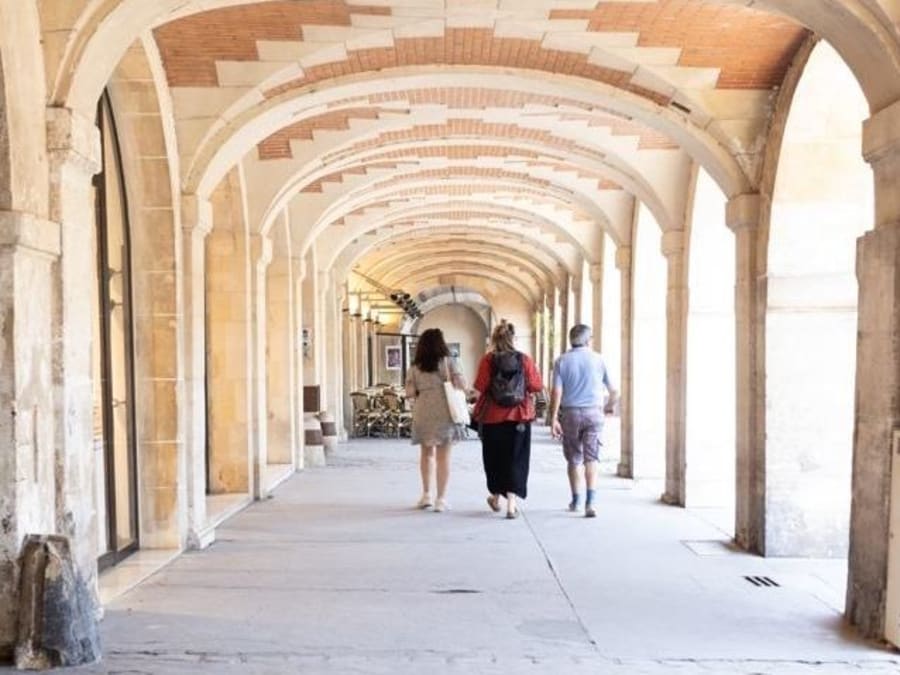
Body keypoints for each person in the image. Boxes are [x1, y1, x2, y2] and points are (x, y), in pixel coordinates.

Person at [472, 322, 544, 519]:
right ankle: (511, 505)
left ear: (494, 340)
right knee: (516, 459)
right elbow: (536, 386)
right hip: (519, 417)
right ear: (513, 339)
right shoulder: (524, 360)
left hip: (492, 418)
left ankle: (495, 497)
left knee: (495, 459)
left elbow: (480, 386)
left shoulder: (488, 360)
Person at [549, 324, 618, 518]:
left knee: (574, 459)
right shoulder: (599, 359)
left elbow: (557, 392)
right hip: (594, 413)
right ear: (589, 340)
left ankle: (576, 500)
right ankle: (591, 503)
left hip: (570, 414)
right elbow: (614, 391)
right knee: (591, 458)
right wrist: (609, 407)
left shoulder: (561, 361)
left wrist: (553, 418)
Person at [405, 328, 467, 512]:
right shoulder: (449, 362)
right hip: (445, 411)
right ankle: (440, 499)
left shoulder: (415, 367)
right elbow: (462, 385)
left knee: (426, 455)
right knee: (443, 457)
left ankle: (426, 495)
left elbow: (409, 393)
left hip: (423, 412)